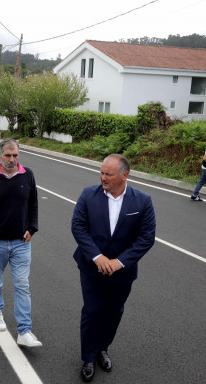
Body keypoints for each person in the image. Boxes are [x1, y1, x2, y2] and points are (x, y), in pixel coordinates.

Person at [71, 154, 156, 382]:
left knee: (114, 311)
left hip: (123, 271)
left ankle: (102, 349)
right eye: (101, 172)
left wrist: (118, 262)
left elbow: (146, 238)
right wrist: (98, 257)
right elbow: (78, 227)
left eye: (108, 174)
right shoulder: (88, 195)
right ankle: (88, 357)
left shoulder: (142, 201)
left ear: (124, 175)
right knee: (92, 310)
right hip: (91, 267)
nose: (103, 177)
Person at [0, 139, 41, 347]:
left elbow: (33, 204)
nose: (12, 159)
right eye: (8, 155)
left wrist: (32, 228)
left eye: (15, 156)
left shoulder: (27, 175)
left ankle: (24, 331)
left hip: (21, 242)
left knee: (22, 285)